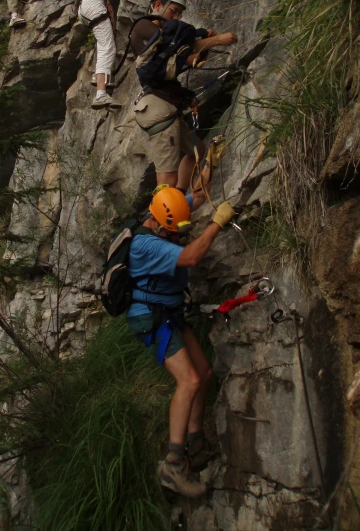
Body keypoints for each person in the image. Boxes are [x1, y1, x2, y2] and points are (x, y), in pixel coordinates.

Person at [127, 186, 236, 496]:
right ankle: (173, 465)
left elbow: (199, 195)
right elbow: (190, 257)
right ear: (159, 222)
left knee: (203, 374)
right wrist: (217, 223)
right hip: (150, 317)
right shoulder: (145, 244)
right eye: (171, 231)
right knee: (188, 381)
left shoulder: (166, 208)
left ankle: (196, 442)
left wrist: (210, 162)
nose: (174, 235)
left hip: (168, 312)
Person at [131, 0, 238, 190]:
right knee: (166, 180)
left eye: (179, 13)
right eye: (174, 11)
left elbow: (182, 51)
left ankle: (177, 197)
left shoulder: (165, 37)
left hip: (164, 106)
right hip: (158, 110)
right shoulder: (145, 29)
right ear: (158, 4)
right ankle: (159, 220)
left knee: (196, 150)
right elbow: (176, 53)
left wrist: (208, 42)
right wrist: (216, 41)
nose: (177, 17)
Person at [72, 0, 122, 110]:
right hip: (92, 1)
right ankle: (101, 93)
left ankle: (99, 77)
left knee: (103, 42)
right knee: (108, 44)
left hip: (91, 1)